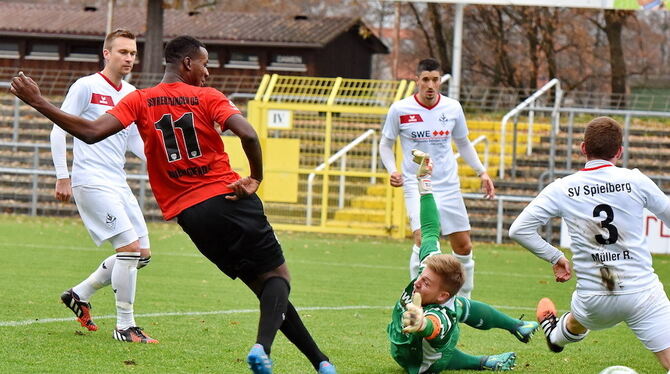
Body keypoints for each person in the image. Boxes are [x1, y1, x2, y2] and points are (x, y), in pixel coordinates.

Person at [10, 36, 335, 374]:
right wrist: (255, 177)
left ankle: (321, 363)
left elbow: (91, 132)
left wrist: (38, 101)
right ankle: (260, 347)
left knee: (267, 288)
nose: (207, 72)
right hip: (228, 198)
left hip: (192, 217)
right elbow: (249, 135)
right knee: (277, 278)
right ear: (187, 64)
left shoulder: (139, 99)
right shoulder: (207, 97)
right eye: (204, 64)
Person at [509, 117, 670, 371]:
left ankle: (554, 335)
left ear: (583, 148)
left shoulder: (562, 188)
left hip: (595, 298)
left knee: (580, 317)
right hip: (642, 293)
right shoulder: (636, 180)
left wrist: (555, 256)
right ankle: (556, 333)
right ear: (620, 151)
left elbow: (518, 230)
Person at [387, 149, 538, 373]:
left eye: (427, 283)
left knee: (454, 315)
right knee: (460, 307)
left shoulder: (441, 316)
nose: (418, 282)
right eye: (422, 277)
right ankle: (507, 335)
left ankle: (492, 351)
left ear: (442, 296)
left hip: (419, 360)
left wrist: (420, 323)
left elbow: (433, 326)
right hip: (410, 354)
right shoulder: (431, 270)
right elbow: (429, 229)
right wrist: (424, 180)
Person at [50, 29, 156, 343]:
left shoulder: (134, 93)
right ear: (106, 54)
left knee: (143, 255)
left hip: (118, 182)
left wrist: (162, 166)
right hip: (91, 181)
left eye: (133, 53)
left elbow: (136, 140)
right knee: (129, 251)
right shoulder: (86, 86)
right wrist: (62, 175)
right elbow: (59, 130)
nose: (129, 58)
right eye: (123, 52)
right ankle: (125, 326)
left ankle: (78, 294)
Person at [379, 58, 495, 298]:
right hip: (416, 184)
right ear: (417, 81)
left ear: (440, 80)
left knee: (463, 246)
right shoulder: (400, 109)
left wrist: (481, 172)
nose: (430, 85)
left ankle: (464, 299)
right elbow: (386, 144)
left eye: (435, 79)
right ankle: (415, 296)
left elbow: (463, 143)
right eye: (425, 80)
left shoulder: (452, 108)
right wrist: (392, 170)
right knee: (424, 240)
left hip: (448, 185)